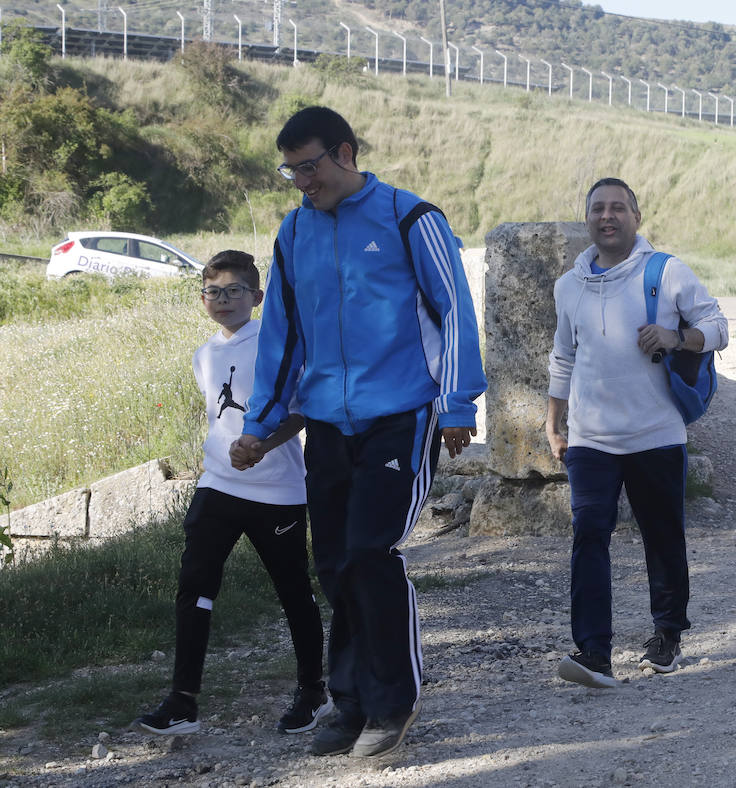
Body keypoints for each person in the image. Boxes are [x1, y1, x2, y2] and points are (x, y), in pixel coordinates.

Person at [237, 107, 486, 758]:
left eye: (310, 166)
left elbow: (455, 311)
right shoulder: (294, 234)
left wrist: (459, 403)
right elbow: (281, 337)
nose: (300, 181)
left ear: (344, 153)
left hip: (401, 412)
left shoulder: (411, 218)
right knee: (336, 565)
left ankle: (392, 703)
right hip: (326, 420)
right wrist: (261, 423)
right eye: (290, 169)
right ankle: (347, 705)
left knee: (372, 553)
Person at [135, 251, 328, 737]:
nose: (222, 300)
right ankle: (183, 702)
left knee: (292, 592)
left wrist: (263, 444)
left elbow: (303, 411)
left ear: (256, 297)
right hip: (217, 485)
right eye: (212, 292)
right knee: (194, 586)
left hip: (276, 490)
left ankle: (313, 692)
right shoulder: (204, 354)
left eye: (234, 291)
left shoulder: (274, 342)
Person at [546, 177, 729, 688]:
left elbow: (718, 326)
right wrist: (553, 423)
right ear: (587, 219)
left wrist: (677, 336)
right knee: (588, 535)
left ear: (636, 216)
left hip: (656, 435)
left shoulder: (665, 272)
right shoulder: (569, 285)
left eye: (618, 208)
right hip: (590, 438)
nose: (608, 217)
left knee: (663, 538)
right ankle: (593, 653)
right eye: (598, 209)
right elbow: (563, 357)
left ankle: (667, 633)